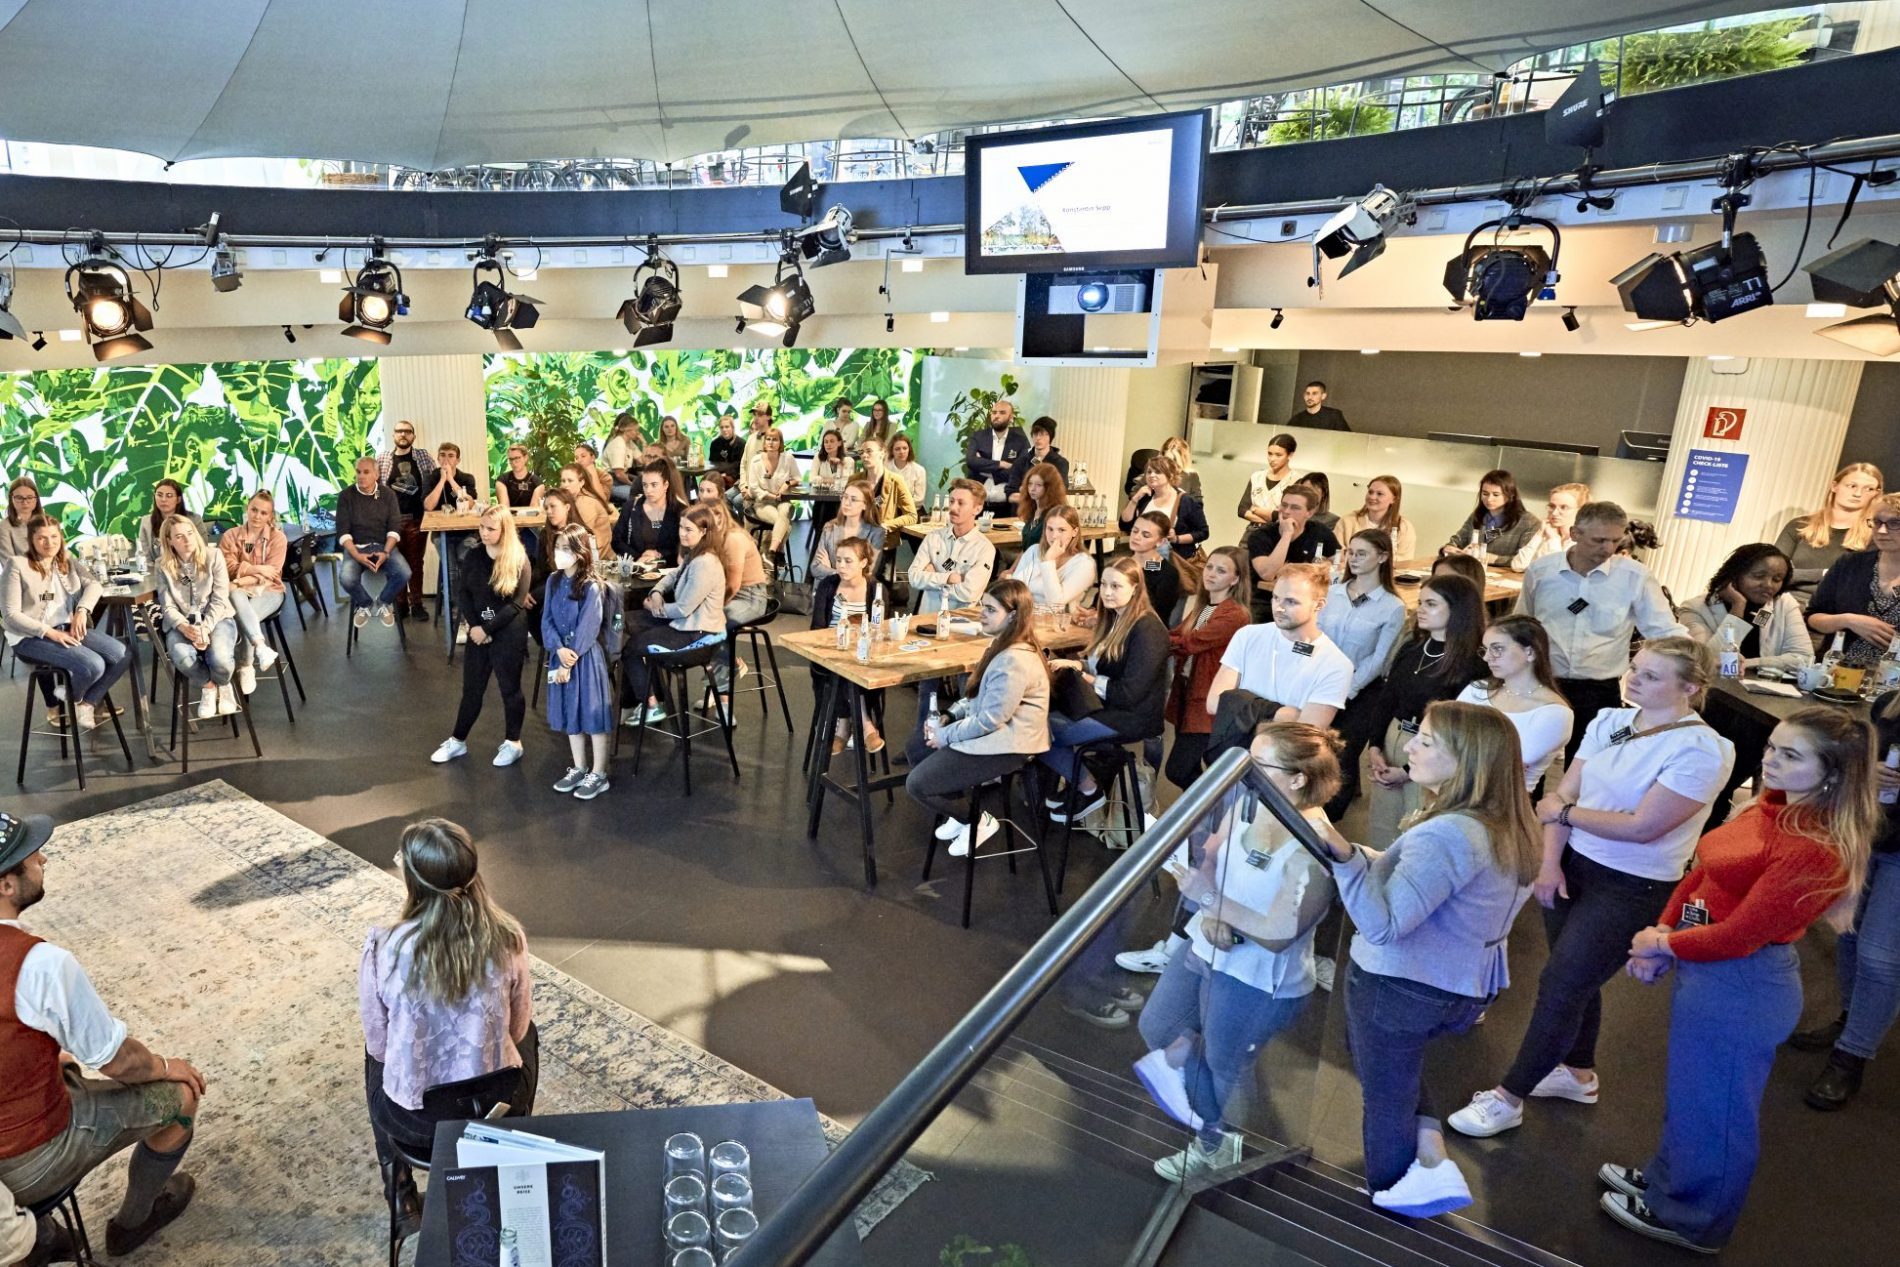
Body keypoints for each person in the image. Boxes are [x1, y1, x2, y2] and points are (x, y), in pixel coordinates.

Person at [1605, 708, 1873, 1253]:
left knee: (1718, 1112)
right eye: (1772, 747)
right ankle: (1666, 1185)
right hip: (1708, 968)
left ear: (1832, 773)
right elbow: (1703, 871)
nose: (1770, 760)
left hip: (1743, 984)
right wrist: (1666, 928)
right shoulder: (1769, 806)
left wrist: (1661, 945)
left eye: (1790, 755)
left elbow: (1740, 935)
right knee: (1691, 1096)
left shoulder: (1815, 848)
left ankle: (1694, 1220)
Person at [1447, 638, 1734, 1142]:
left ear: (1690, 688)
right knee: (1577, 979)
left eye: (1651, 675)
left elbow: (1643, 826)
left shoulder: (1703, 749)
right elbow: (1563, 792)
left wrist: (1562, 814)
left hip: (1634, 884)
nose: (1634, 678)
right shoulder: (1608, 720)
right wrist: (1550, 861)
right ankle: (1579, 1074)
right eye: (1635, 668)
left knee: (1562, 982)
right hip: (1573, 865)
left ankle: (1508, 1098)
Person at [1311, 703, 1540, 1217]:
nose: (1410, 746)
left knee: (1385, 1096)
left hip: (1404, 983)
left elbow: (1384, 925)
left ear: (1467, 761)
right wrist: (1364, 856)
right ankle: (1432, 1155)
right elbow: (1428, 885)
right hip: (1460, 983)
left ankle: (1393, 1196)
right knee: (1393, 1067)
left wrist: (1345, 863)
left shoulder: (1449, 833)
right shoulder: (1509, 823)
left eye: (1427, 741)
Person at [0, 814, 207, 1257]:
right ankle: (133, 1222)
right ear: (6, 885)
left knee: (61, 1059)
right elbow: (117, 1060)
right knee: (181, 1098)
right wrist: (167, 1066)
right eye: (30, 856)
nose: (42, 859)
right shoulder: (41, 966)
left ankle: (44, 1233)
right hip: (26, 1157)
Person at [1140, 723, 1339, 1179]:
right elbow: (1212, 856)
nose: (1242, 770)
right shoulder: (1250, 802)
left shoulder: (1316, 843)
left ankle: (1217, 1144)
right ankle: (1211, 1116)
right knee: (1160, 1025)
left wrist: (1212, 901)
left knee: (1225, 1064)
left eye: (1257, 763)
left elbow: (1279, 932)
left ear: (1297, 778)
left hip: (1259, 979)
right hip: (1207, 945)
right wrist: (1211, 910)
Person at [361, 817, 536, 1243]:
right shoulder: (508, 938)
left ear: (413, 880)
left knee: (372, 1056)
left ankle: (401, 1195)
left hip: (416, 1122)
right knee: (530, 1032)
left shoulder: (384, 947)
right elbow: (516, 1030)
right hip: (494, 1106)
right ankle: (515, 1153)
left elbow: (380, 1045)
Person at [1790, 688, 1900, 1111]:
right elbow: (1857, 763)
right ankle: (1851, 1022)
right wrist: (1868, 772)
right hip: (1872, 835)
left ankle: (1850, 1056)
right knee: (1849, 934)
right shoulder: (1889, 704)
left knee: (1880, 956)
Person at [1514, 500, 1685, 762]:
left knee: (1588, 766)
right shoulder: (1542, 571)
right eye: (1599, 540)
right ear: (1575, 534)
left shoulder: (1634, 577)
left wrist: (1700, 657)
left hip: (1598, 689)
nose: (1608, 549)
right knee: (1526, 760)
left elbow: (1663, 629)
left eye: (1615, 540)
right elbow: (1521, 625)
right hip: (1543, 681)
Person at [908, 578, 1051, 854]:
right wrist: (950, 714)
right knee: (917, 747)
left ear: (1012, 616)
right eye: (983, 607)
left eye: (990, 610)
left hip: (1011, 744)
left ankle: (976, 820)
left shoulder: (1014, 660)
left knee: (918, 785)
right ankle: (961, 814)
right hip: (996, 733)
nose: (982, 614)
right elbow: (978, 697)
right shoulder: (1000, 645)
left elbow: (990, 720)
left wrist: (945, 736)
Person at [1357, 575, 1487, 847]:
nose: (1420, 610)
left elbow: (1458, 731)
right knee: (1382, 826)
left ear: (1458, 610)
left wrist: (1407, 771)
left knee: (1417, 827)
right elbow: (1387, 698)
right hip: (1394, 739)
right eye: (1420, 603)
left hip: (1435, 750)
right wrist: (1375, 747)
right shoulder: (1412, 647)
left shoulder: (1473, 663)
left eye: (1431, 604)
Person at [1041, 555, 1171, 825]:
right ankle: (1076, 785)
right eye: (1104, 584)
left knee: (1039, 733)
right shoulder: (1115, 619)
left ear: (1135, 588)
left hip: (1131, 717)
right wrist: (1076, 664)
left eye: (1116, 586)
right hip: (1107, 707)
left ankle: (1089, 790)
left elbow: (1129, 693)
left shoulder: (1148, 629)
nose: (1107, 592)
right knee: (1037, 718)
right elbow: (1106, 665)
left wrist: (1086, 677)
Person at [1, 515, 130, 732]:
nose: (49, 543)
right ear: (31, 539)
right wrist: (49, 632)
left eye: (54, 537)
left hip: (66, 627)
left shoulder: (66, 559)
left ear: (60, 538)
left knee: (122, 654)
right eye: (42, 538)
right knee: (93, 665)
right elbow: (10, 614)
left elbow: (94, 585)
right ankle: (77, 700)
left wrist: (82, 610)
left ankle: (82, 701)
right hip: (29, 638)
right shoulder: (17, 565)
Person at [430, 507, 532, 768]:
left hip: (508, 630)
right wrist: (475, 626)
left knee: (509, 689)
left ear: (504, 530)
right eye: (482, 527)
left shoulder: (519, 558)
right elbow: (463, 593)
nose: (484, 533)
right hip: (479, 630)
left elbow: (517, 603)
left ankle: (513, 742)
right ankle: (458, 740)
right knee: (472, 689)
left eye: (490, 529)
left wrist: (487, 629)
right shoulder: (474, 555)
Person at [1316, 529, 1408, 817]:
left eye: (1362, 554)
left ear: (1382, 557)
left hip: (1360, 690)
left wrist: (1348, 688)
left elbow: (1380, 658)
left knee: (1342, 754)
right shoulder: (1332, 593)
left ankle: (1331, 818)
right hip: (1320, 681)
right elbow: (1315, 635)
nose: (1353, 559)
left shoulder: (1392, 607)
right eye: (1351, 553)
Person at [1206, 565, 1353, 730]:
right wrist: (1280, 713)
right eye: (1276, 598)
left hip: (1280, 747)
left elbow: (1305, 731)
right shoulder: (1247, 636)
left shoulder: (1337, 665)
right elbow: (1214, 703)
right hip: (1229, 743)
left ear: (1318, 605)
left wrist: (1240, 705)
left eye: (1291, 601)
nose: (1279, 608)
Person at [622, 505, 728, 724]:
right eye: (681, 527)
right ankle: (646, 696)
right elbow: (672, 576)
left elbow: (682, 608)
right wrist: (656, 592)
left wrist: (654, 608)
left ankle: (651, 705)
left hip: (698, 634)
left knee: (631, 648)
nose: (682, 533)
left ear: (704, 532)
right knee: (627, 624)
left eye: (688, 529)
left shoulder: (705, 563)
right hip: (685, 624)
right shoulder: (694, 554)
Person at [1162, 546, 1251, 790]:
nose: (1211, 573)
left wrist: (1151, 635)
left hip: (1207, 700)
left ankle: (1212, 804)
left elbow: (1190, 642)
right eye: (1209, 567)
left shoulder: (1235, 614)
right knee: (1189, 769)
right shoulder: (1203, 607)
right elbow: (1177, 634)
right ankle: (1204, 809)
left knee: (1178, 770)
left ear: (1235, 579)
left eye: (1221, 570)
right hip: (1187, 692)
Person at [1457, 616, 1574, 793]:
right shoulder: (1477, 689)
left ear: (1530, 652)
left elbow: (1507, 764)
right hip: (1456, 791)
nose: (1487, 657)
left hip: (1507, 801)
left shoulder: (1555, 712)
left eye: (1497, 649)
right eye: (1485, 649)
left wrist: (1460, 747)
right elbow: (1443, 737)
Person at [541, 524, 614, 800]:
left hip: (584, 659)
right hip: (561, 656)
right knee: (570, 712)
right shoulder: (553, 581)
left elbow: (589, 627)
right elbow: (546, 620)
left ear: (580, 551)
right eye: (558, 547)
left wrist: (567, 660)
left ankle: (599, 772)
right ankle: (580, 767)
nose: (560, 553)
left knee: (593, 714)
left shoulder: (592, 586)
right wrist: (557, 649)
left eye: (566, 548)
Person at [1679, 543, 1814, 674]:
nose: (1768, 585)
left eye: (1777, 579)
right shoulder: (1695, 608)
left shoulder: (1784, 604)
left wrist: (1749, 663)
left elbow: (1804, 658)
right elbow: (1708, 660)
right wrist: (1738, 607)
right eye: (1759, 576)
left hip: (1764, 685)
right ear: (1735, 575)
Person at [812, 538, 892, 756]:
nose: (841, 566)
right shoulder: (828, 586)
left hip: (864, 653)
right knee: (843, 670)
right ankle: (865, 725)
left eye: (848, 561)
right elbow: (817, 628)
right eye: (838, 560)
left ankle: (844, 725)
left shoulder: (876, 590)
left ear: (863, 563)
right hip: (830, 653)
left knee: (855, 669)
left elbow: (881, 629)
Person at [156, 514, 240, 720]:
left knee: (220, 659)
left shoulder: (214, 555)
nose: (187, 539)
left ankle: (224, 684)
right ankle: (209, 687)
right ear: (169, 541)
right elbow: (167, 606)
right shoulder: (162, 565)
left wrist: (205, 628)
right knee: (182, 657)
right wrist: (184, 627)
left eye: (190, 533)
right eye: (179, 536)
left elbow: (220, 599)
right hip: (182, 623)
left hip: (218, 618)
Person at [696, 486, 772, 714]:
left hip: (751, 596)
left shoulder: (733, 539)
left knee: (715, 622)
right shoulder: (710, 538)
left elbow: (733, 585)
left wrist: (714, 607)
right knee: (700, 621)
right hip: (729, 594)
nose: (715, 521)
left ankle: (724, 699)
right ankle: (724, 675)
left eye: (718, 515)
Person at [1807, 491, 1900, 670]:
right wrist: (1848, 620)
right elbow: (1812, 617)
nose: (1882, 530)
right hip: (1836, 671)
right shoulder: (1850, 564)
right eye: (1877, 522)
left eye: (1895, 523)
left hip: (1892, 680)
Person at [1775, 462, 1883, 608]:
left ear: (1876, 493)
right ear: (1834, 486)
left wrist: (1796, 575)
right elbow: (1773, 573)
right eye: (1852, 486)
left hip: (1830, 610)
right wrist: (1823, 574)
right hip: (1783, 602)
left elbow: (1858, 585)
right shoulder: (1799, 525)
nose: (1858, 494)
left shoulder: (1874, 536)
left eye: (1869, 489)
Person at [218, 490, 286, 696]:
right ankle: (260, 647)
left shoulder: (278, 538)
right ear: (247, 508)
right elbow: (227, 567)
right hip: (239, 593)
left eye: (263, 513)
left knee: (248, 616)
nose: (257, 516)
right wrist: (257, 569)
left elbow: (271, 574)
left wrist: (239, 580)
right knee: (237, 598)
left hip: (270, 591)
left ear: (270, 516)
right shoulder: (230, 536)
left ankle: (246, 665)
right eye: (254, 510)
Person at [335, 455, 412, 630]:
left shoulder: (388, 494)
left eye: (366, 472)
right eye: (358, 472)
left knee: (404, 573)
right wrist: (357, 555)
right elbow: (343, 531)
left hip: (384, 546)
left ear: (376, 475)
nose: (361, 476)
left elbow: (394, 528)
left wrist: (386, 552)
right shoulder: (346, 496)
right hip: (356, 548)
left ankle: (383, 602)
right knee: (346, 578)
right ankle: (365, 604)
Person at [1245, 483, 1338, 620]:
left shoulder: (1320, 531)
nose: (1286, 511)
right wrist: (1287, 535)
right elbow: (1268, 574)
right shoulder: (1261, 535)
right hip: (1264, 602)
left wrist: (1325, 567)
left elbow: (1338, 561)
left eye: (1295, 507)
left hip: (1304, 601)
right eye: (1284, 505)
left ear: (1310, 512)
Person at [908, 479, 996, 614]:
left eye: (961, 503)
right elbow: (914, 577)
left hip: (961, 621)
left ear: (977, 509)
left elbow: (970, 593)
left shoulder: (985, 548)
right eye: (951, 501)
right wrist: (948, 578)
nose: (953, 508)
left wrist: (933, 578)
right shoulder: (933, 537)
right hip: (927, 617)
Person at [377, 420, 436, 620]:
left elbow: (433, 481)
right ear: (393, 435)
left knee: (415, 564)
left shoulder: (423, 457)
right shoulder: (383, 458)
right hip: (391, 523)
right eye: (399, 431)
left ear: (413, 436)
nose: (403, 434)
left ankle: (417, 604)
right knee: (395, 564)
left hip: (416, 520)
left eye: (407, 431)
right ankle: (400, 604)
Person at [425, 442, 482, 640]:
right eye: (442, 455)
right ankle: (461, 618)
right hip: (442, 535)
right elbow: (428, 506)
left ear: (458, 460)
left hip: (466, 534)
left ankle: (470, 614)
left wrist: (451, 479)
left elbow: (470, 502)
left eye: (451, 456)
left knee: (465, 565)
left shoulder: (466, 478)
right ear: (437, 458)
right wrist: (442, 480)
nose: (446, 459)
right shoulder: (431, 478)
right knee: (451, 571)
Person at [1011, 505, 1095, 615]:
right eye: (1050, 529)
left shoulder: (1084, 564)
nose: (1054, 536)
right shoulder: (1033, 551)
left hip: (1060, 622)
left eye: (1061, 530)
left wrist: (1048, 561)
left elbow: (1056, 604)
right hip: (1024, 617)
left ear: (1074, 532)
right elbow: (1014, 590)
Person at [1442, 469, 1536, 566]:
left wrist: (1492, 558)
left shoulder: (1528, 522)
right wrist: (1449, 548)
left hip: (1504, 574)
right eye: (1485, 494)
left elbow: (1524, 560)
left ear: (1510, 495)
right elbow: (1458, 540)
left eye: (1496, 495)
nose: (1489, 499)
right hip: (1473, 571)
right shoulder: (1478, 515)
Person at [1120, 454, 1208, 558]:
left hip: (1171, 558)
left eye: (1158, 472)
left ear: (1170, 475)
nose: (1152, 475)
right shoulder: (1145, 497)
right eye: (1149, 472)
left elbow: (1203, 532)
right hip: (1145, 556)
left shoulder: (1186, 501)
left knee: (1153, 567)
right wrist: (1135, 499)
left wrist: (1176, 538)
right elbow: (1124, 525)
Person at [741, 426, 800, 563]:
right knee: (784, 523)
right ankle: (778, 551)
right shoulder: (756, 461)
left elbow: (797, 478)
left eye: (775, 440)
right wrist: (772, 496)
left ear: (780, 442)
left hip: (783, 501)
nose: (771, 442)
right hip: (763, 503)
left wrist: (787, 484)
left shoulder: (788, 458)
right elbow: (754, 488)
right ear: (764, 442)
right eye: (768, 439)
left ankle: (771, 551)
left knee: (784, 510)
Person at [612, 460, 686, 567]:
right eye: (645, 485)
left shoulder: (679, 510)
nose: (648, 490)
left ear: (665, 485)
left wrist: (659, 555)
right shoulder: (631, 507)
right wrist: (639, 558)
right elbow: (616, 541)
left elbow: (684, 544)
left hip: (669, 571)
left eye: (654, 485)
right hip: (636, 569)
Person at [811, 480, 885, 583]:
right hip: (826, 589)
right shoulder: (830, 527)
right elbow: (815, 568)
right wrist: (843, 573)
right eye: (845, 497)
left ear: (865, 505)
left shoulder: (876, 533)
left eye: (853, 499)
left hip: (856, 591)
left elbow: (867, 575)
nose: (846, 503)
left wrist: (832, 571)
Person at [964, 399, 1031, 511]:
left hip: (1006, 506)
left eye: (1002, 412)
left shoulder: (1020, 441)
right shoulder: (978, 436)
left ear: (1011, 417)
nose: (997, 416)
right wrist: (1001, 464)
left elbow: (1021, 471)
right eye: (994, 412)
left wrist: (985, 470)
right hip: (978, 504)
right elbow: (971, 461)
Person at [1510, 482, 1591, 573]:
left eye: (1564, 507)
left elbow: (1558, 573)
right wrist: (1539, 534)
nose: (1554, 513)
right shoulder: (1549, 532)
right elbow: (1518, 566)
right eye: (1552, 506)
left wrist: (1554, 540)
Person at [1337, 475, 1415, 562]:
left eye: (1379, 494)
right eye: (1370, 492)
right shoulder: (1347, 521)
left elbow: (1405, 560)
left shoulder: (1404, 527)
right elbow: (1336, 553)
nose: (1372, 497)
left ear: (1394, 499)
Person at [1126, 511, 1183, 623]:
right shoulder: (1121, 564)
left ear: (1160, 541)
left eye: (1146, 535)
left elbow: (1158, 614)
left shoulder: (1167, 574)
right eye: (1135, 531)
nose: (1136, 537)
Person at [1238, 433, 1305, 526]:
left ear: (1289, 455)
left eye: (1278, 455)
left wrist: (1255, 509)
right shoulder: (1257, 477)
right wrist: (1267, 521)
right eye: (1270, 454)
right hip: (1253, 530)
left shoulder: (1296, 481)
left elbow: (1288, 515)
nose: (1272, 459)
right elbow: (1242, 509)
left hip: (1278, 532)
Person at [135, 479, 198, 569]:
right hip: (158, 572)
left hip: (190, 570)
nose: (163, 500)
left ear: (178, 499)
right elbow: (146, 557)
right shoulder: (146, 522)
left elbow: (201, 551)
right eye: (159, 495)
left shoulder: (194, 519)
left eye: (169, 496)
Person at [556, 464, 615, 559]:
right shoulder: (572, 499)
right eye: (563, 481)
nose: (566, 485)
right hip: (583, 553)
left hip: (598, 559)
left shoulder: (586, 502)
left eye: (570, 481)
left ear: (581, 483)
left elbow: (579, 535)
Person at [857, 438, 917, 530]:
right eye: (861, 452)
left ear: (882, 453)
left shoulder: (896, 481)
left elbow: (912, 516)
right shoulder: (855, 480)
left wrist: (887, 525)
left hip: (884, 536)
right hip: (858, 535)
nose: (864, 455)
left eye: (869, 451)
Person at [1015, 462, 1069, 551]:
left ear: (1050, 488)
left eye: (1038, 485)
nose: (1032, 489)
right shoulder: (1032, 510)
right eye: (1030, 484)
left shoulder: (1055, 515)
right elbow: (1025, 549)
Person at [601, 413, 643, 507]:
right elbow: (619, 474)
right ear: (627, 430)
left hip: (621, 480)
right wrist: (632, 484)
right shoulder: (618, 445)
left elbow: (642, 460)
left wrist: (643, 442)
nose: (638, 433)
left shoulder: (629, 443)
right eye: (636, 430)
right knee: (641, 497)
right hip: (612, 484)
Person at [494, 443, 545, 511]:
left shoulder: (537, 482)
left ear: (525, 458)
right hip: (508, 517)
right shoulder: (502, 480)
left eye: (517, 458)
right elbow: (505, 509)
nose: (514, 462)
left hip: (530, 517)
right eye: (511, 459)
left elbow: (533, 510)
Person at [2, 477, 41, 560]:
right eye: (19, 498)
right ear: (11, 499)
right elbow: (9, 563)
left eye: (29, 497)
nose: (25, 502)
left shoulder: (47, 523)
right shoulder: (4, 527)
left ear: (36, 499)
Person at [888, 434, 928, 511]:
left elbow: (919, 499)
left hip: (913, 511)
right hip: (888, 511)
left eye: (905, 448)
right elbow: (879, 494)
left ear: (909, 449)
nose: (902, 452)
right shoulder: (884, 468)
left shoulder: (919, 470)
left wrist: (897, 504)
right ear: (892, 451)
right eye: (897, 449)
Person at [808, 427, 854, 493]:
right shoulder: (818, 457)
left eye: (832, 441)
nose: (828, 444)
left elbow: (847, 482)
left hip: (841, 496)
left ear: (839, 443)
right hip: (821, 495)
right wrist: (833, 480)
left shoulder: (848, 460)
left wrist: (822, 479)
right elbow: (811, 479)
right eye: (826, 442)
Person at [707, 412, 745, 487]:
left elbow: (740, 465)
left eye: (727, 427)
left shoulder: (741, 444)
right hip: (717, 476)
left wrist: (727, 474)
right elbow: (712, 463)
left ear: (732, 428)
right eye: (722, 427)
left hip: (735, 477)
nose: (724, 430)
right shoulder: (715, 443)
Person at [1030, 417, 1071, 485]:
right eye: (1035, 434)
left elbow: (1061, 488)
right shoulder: (1023, 461)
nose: (1038, 438)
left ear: (1050, 437)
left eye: (1042, 434)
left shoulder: (1060, 463)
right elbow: (1013, 486)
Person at [1161, 436, 1202, 501]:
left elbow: (1197, 503)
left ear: (1183, 460)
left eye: (1174, 460)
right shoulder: (1154, 472)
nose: (1170, 464)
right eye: (1166, 460)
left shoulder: (1191, 476)